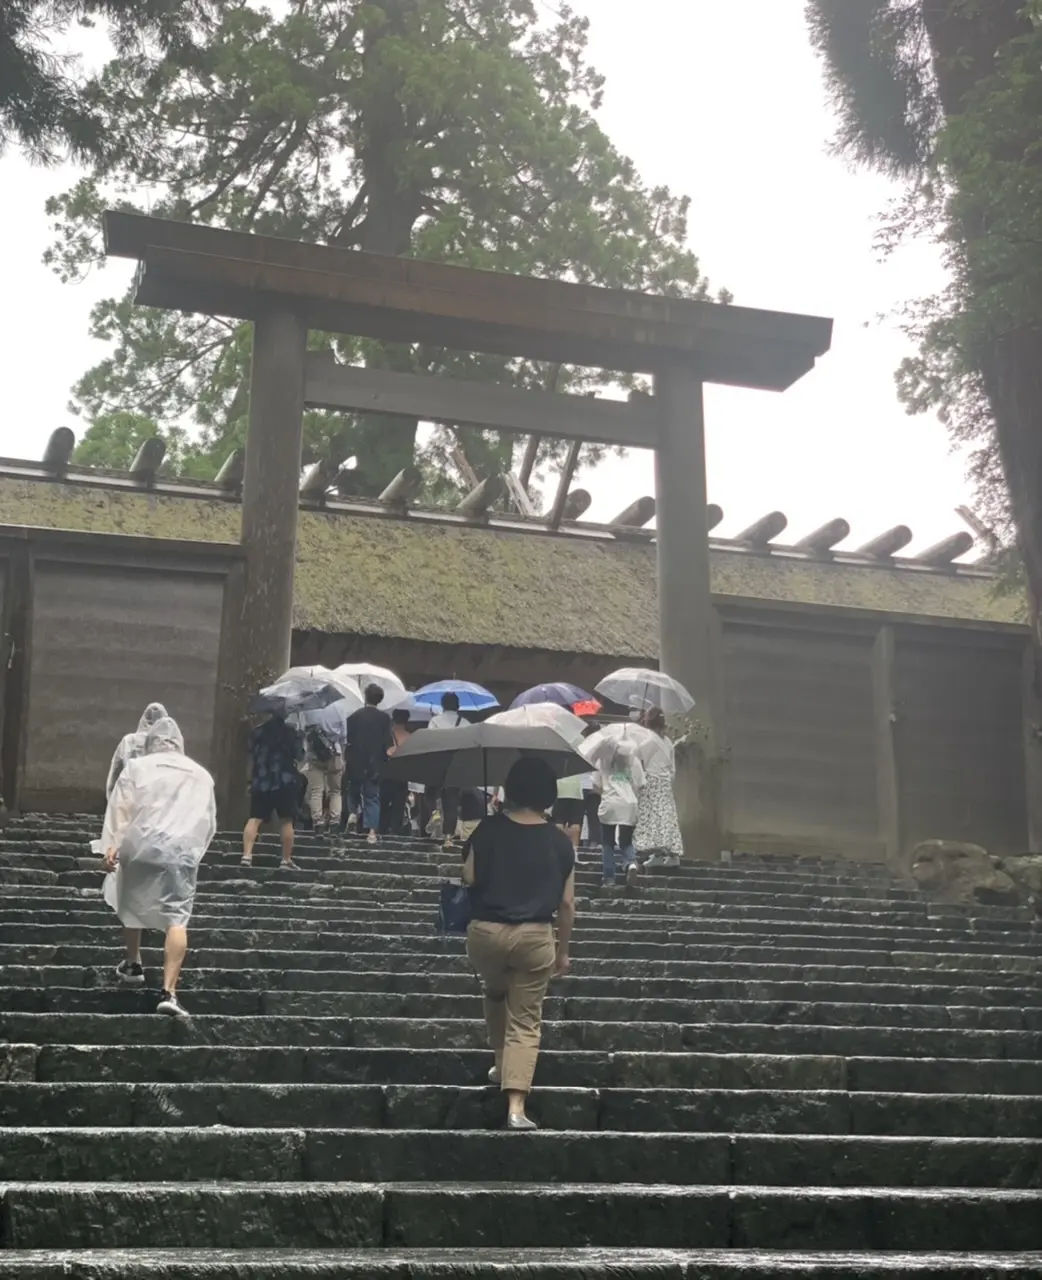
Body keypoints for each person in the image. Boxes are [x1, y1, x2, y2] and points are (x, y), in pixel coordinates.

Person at [462, 757, 576, 1131]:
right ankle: (515, 1108)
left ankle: (499, 1061)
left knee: (495, 994)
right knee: (526, 1019)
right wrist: (562, 951)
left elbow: (469, 878)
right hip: (534, 936)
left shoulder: (487, 829)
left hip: (486, 934)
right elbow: (567, 904)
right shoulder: (560, 842)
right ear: (548, 795)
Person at [101, 717, 216, 1017]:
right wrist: (193, 851)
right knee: (177, 919)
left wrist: (111, 845)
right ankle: (169, 992)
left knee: (131, 899)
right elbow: (208, 821)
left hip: (140, 847)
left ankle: (132, 963)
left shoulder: (138, 768)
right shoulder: (201, 775)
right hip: (180, 852)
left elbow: (120, 808)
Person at [242, 713, 303, 870]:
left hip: (262, 781)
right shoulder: (291, 733)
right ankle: (285, 859)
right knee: (286, 821)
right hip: (285, 782)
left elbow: (251, 756)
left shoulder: (257, 732)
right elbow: (300, 756)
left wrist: (250, 780)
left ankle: (247, 855)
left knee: (254, 818)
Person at [634, 707, 684, 868]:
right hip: (665, 783)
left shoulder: (647, 740)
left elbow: (638, 760)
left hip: (651, 781)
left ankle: (658, 853)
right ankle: (668, 854)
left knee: (653, 818)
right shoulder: (667, 741)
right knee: (666, 817)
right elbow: (672, 767)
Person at [595, 737, 645, 889]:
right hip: (629, 803)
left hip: (610, 802)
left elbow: (596, 786)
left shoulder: (602, 761)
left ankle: (609, 878)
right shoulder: (634, 761)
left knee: (608, 842)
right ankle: (630, 863)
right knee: (626, 841)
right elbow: (641, 784)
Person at [346, 683, 393, 846]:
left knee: (353, 791)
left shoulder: (353, 717)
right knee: (372, 797)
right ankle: (372, 832)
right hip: (375, 764)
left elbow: (349, 740)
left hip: (355, 761)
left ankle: (353, 814)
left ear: (365, 696)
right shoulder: (384, 719)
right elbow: (388, 744)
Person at [424, 692, 466, 849]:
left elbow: (429, 743)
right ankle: (448, 837)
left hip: (437, 764)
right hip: (456, 767)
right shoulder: (466, 723)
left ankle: (434, 812)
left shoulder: (435, 721)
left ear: (442, 705)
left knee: (430, 794)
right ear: (458, 706)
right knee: (452, 802)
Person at [106, 702, 168, 798]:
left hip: (130, 799)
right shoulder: (167, 747)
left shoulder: (128, 741)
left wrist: (111, 805)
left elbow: (113, 779)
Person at [304, 714, 344, 836]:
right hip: (334, 753)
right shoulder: (339, 707)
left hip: (314, 754)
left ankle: (318, 822)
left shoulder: (308, 709)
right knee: (335, 791)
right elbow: (344, 735)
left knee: (316, 790)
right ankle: (334, 823)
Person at [380, 708, 412, 835]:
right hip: (402, 775)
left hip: (386, 773)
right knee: (399, 805)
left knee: (383, 803)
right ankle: (395, 830)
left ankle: (381, 829)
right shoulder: (410, 737)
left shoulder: (387, 734)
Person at [552, 770, 584, 852]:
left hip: (559, 791)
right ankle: (574, 853)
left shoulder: (557, 759)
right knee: (575, 825)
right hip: (576, 791)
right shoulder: (577, 760)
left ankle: (557, 851)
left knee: (558, 823)